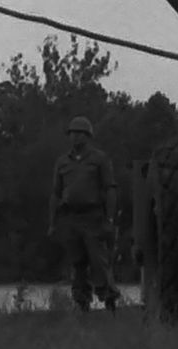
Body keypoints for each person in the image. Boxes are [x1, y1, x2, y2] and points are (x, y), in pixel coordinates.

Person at [49, 117, 123, 310]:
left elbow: (110, 189)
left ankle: (109, 301)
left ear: (87, 136)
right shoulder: (62, 162)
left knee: (99, 262)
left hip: (94, 217)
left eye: (79, 133)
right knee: (77, 262)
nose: (75, 137)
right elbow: (56, 193)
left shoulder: (99, 159)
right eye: (72, 133)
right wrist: (53, 222)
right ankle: (82, 303)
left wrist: (110, 218)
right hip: (71, 217)